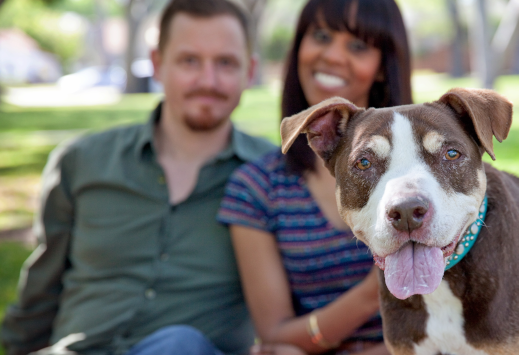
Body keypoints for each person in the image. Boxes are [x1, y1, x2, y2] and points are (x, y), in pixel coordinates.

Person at [0, 0, 276, 354]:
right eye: (189, 61)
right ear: (158, 64)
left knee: (181, 344)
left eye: (225, 63)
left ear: (249, 71)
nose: (208, 81)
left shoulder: (272, 175)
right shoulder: (82, 162)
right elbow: (39, 293)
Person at [216, 0, 412, 354]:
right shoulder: (258, 187)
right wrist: (370, 294)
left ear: (383, 67)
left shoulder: (425, 172)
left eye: (358, 46)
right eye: (321, 36)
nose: (333, 56)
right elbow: (274, 335)